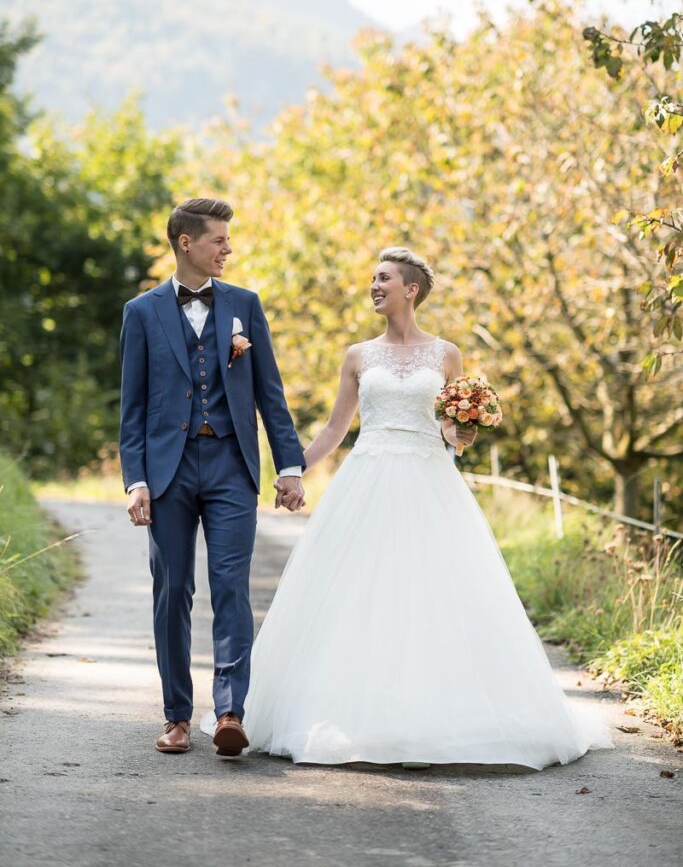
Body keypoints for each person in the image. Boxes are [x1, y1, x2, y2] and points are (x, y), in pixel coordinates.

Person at [201, 246, 613, 769]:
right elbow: (335, 428)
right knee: (356, 591)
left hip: (426, 476)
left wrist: (459, 430)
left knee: (433, 591)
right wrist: (291, 471)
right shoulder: (357, 355)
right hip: (368, 475)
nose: (374, 287)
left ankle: (434, 712)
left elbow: (444, 427)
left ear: (410, 289)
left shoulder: (446, 355)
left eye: (384, 279)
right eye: (373, 279)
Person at [119, 197, 305, 756]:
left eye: (228, 239)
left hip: (231, 465)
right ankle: (176, 715)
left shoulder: (245, 304)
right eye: (219, 239)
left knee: (231, 589)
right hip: (167, 470)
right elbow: (132, 408)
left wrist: (289, 465)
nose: (228, 248)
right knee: (171, 589)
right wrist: (136, 480)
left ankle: (229, 712)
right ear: (186, 242)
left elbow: (270, 392)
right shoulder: (142, 311)